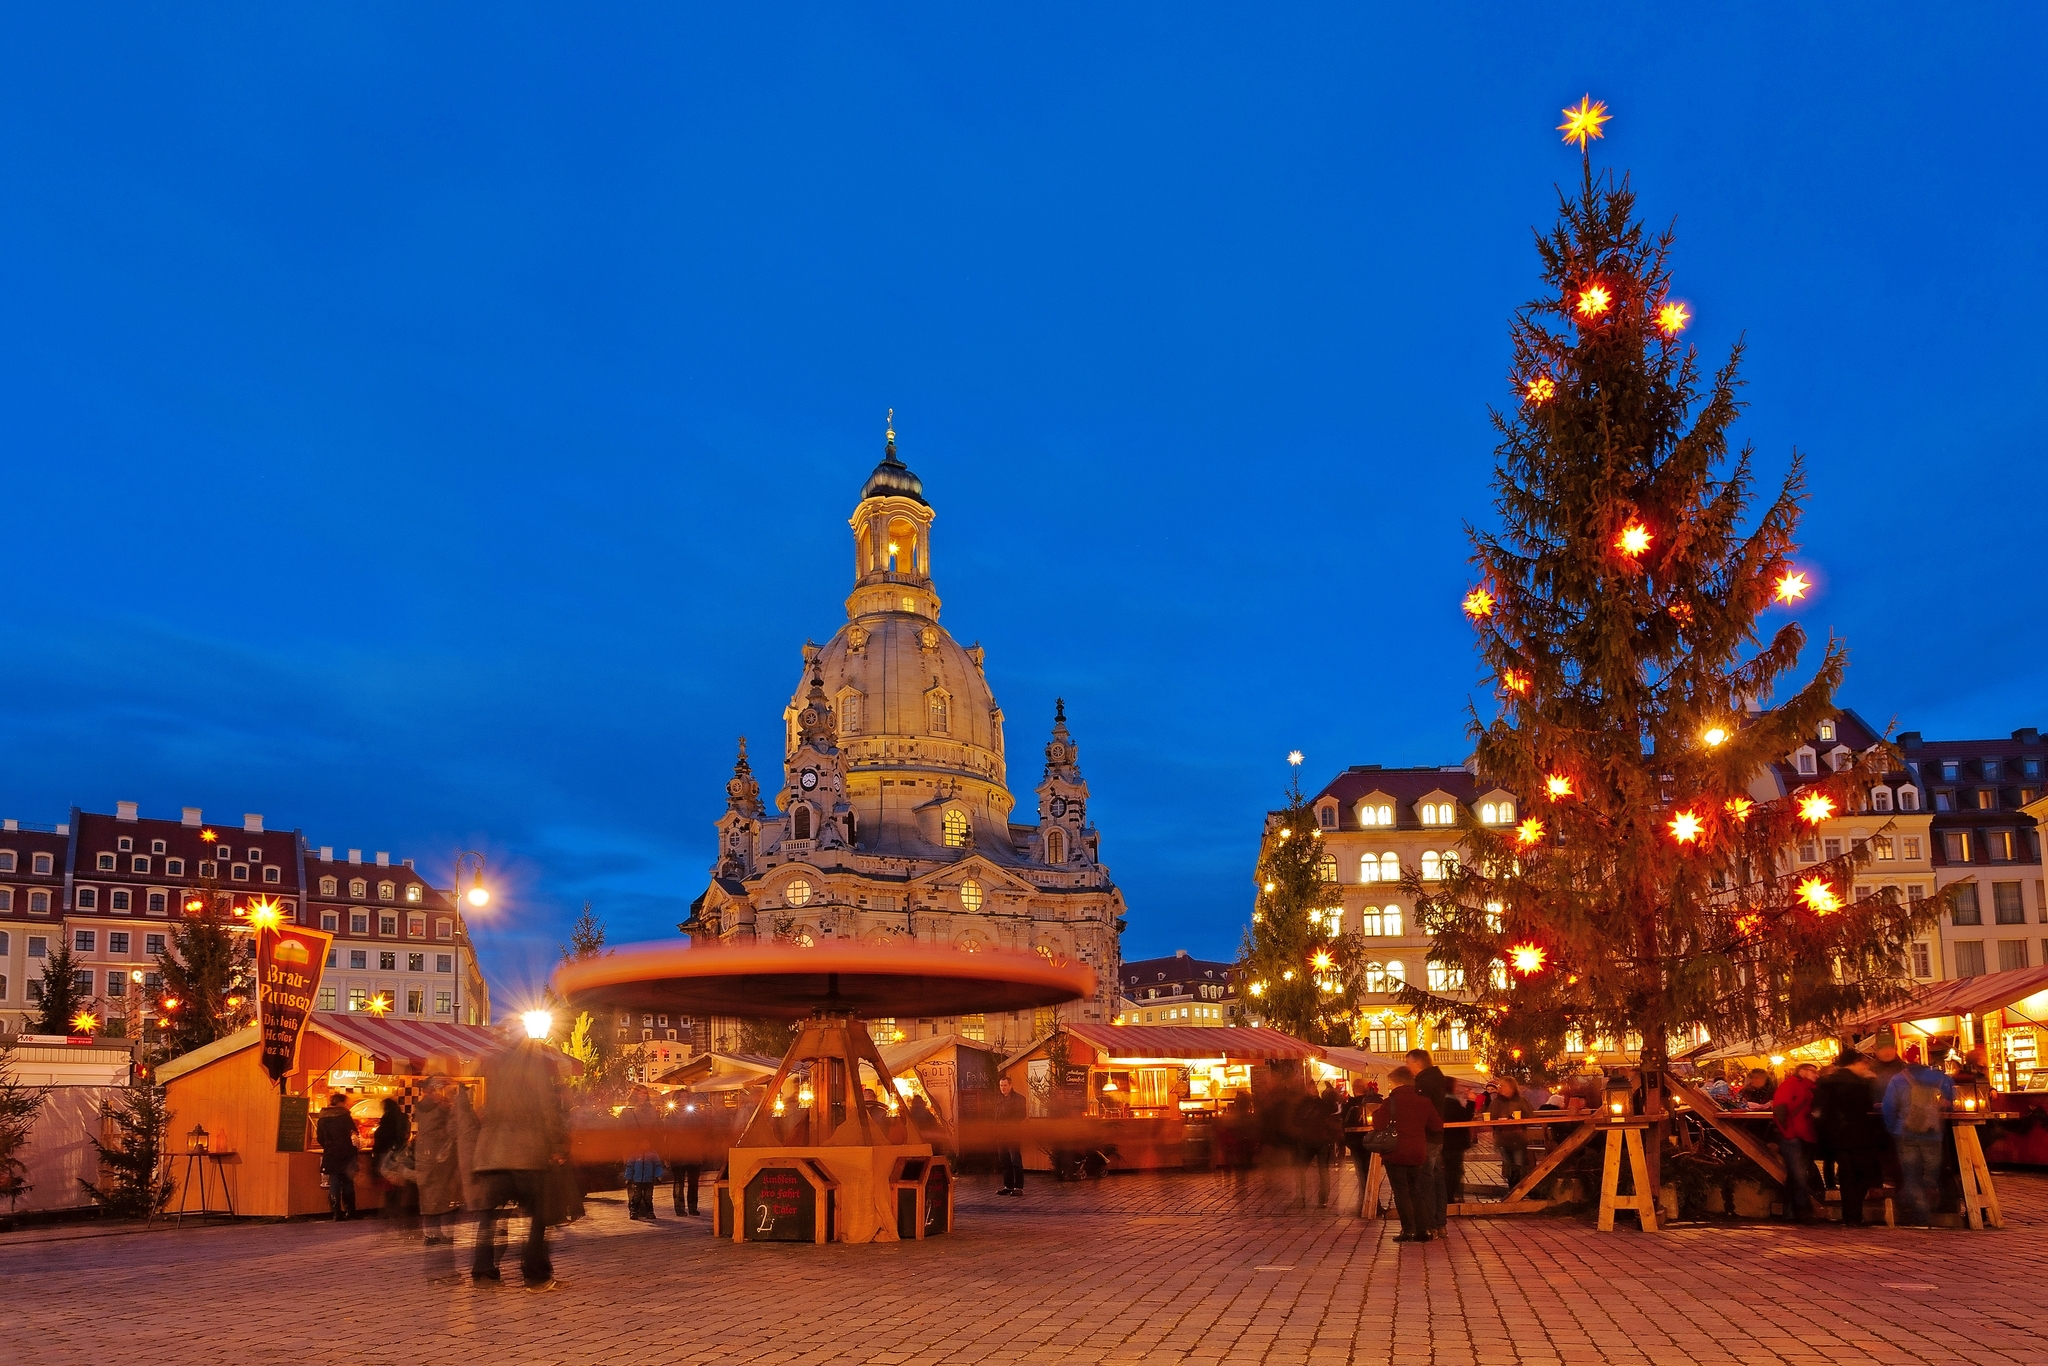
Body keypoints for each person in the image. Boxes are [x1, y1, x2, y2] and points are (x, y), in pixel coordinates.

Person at [471, 1029, 570, 1291]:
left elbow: (480, 1108)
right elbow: (547, 1105)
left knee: (489, 1217)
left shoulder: (489, 1063)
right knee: (539, 1215)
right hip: (526, 1151)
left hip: (490, 1152)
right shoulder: (533, 1064)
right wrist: (558, 1144)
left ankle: (483, 1273)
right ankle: (535, 1275)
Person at [1882, 1048, 1955, 1227]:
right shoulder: (1942, 1078)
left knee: (1911, 1174)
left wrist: (1894, 1129)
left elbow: (1888, 1107)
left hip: (1905, 1132)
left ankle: (1919, 1213)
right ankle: (1925, 1198)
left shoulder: (1898, 1078)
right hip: (1933, 1133)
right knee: (1931, 1173)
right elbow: (1953, 1102)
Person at [1371, 1066, 1443, 1242]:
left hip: (1395, 1152)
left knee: (1401, 1192)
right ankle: (1424, 1230)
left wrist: (1374, 1113)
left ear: (1397, 1082)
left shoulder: (1391, 1102)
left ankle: (1408, 1230)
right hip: (1417, 1152)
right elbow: (1437, 1125)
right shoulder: (1424, 1101)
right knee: (1416, 1191)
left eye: (1390, 1083)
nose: (1389, 1086)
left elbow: (1379, 1125)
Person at [1815, 1051, 1885, 1226]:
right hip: (1856, 1135)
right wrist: (1870, 1082)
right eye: (1862, 1063)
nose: (1865, 1066)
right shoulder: (1855, 1083)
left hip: (1835, 1136)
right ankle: (1853, 1214)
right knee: (1866, 1171)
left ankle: (1850, 1215)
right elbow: (1862, 1107)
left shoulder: (1827, 1082)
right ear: (1854, 1063)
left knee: (1847, 1175)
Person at [1772, 1062, 1820, 1223]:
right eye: (1812, 1071)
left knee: (1795, 1175)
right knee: (1799, 1176)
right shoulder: (1791, 1085)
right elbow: (1780, 1109)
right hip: (1795, 1137)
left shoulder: (1809, 1088)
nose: (1816, 1075)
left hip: (1804, 1136)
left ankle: (1789, 1212)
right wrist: (1789, 1134)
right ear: (1802, 1071)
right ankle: (1804, 1211)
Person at [1407, 1050, 1450, 1229]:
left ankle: (1429, 1223)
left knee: (1426, 1179)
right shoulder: (1438, 1079)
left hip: (1426, 1136)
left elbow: (1419, 1110)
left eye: (1408, 1062)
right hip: (1436, 1135)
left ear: (1417, 1063)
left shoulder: (1424, 1083)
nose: (1407, 1067)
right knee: (1437, 1178)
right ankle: (1440, 1222)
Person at [1290, 1083, 1340, 1208]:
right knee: (1300, 1169)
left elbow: (1334, 1108)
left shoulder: (1323, 1103)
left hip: (1322, 1140)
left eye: (1315, 1088)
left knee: (1323, 1171)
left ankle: (1323, 1198)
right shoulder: (1303, 1104)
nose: (1314, 1090)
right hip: (1307, 1141)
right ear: (1307, 1090)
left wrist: (1332, 1094)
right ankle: (1300, 1196)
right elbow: (1295, 1121)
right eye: (1311, 1088)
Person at [620, 1087, 663, 1222]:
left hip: (648, 1148)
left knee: (647, 1180)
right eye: (640, 1092)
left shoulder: (652, 1110)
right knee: (634, 1180)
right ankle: (634, 1209)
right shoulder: (627, 1111)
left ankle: (646, 1210)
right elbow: (623, 1131)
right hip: (632, 1148)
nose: (643, 1095)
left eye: (645, 1093)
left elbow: (655, 1130)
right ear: (634, 1094)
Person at [316, 1093, 360, 1222]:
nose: (347, 1105)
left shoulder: (322, 1118)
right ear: (340, 1103)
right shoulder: (345, 1117)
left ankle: (336, 1213)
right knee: (347, 1182)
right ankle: (350, 1211)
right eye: (346, 1102)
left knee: (334, 1183)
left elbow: (320, 1138)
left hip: (331, 1154)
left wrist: (329, 1147)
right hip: (347, 1153)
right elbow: (354, 1134)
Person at [1485, 1078, 1533, 1194]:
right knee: (1509, 1166)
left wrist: (1518, 1119)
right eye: (1501, 1086)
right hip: (1503, 1138)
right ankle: (1512, 1191)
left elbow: (1530, 1116)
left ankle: (1519, 1191)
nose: (1501, 1088)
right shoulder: (1496, 1102)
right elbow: (1491, 1117)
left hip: (1518, 1138)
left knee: (1519, 1165)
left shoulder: (1521, 1101)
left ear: (1512, 1088)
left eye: (1504, 1086)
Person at [667, 1099, 704, 1217]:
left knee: (693, 1182)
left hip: (693, 1153)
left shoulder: (695, 1117)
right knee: (679, 1182)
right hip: (678, 1153)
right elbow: (667, 1137)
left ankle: (693, 1207)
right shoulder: (670, 1118)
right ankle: (679, 1208)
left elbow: (701, 1134)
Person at [993, 1076, 1027, 1196]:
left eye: (1005, 1085)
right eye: (1001, 1085)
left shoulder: (1019, 1099)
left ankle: (1018, 1187)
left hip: (1013, 1134)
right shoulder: (999, 1099)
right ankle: (1008, 1186)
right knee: (1004, 1161)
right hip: (1001, 1135)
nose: (1003, 1088)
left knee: (1015, 1160)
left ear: (1010, 1085)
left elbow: (1021, 1115)